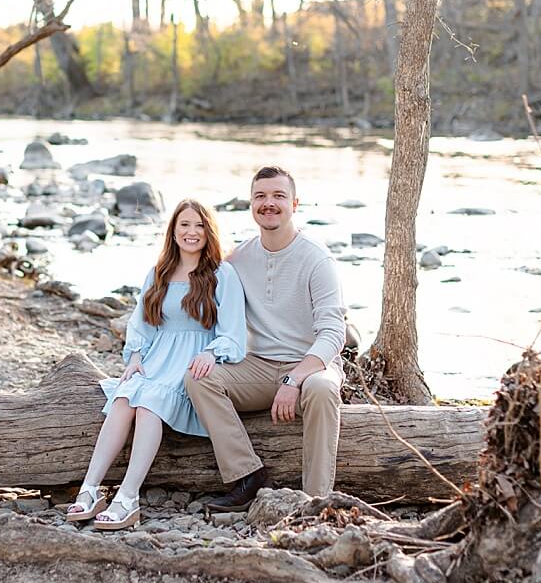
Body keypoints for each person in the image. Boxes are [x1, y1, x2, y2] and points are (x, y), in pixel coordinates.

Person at [66, 199, 247, 530]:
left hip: (192, 364)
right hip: (156, 358)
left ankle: (128, 497)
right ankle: (89, 489)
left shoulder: (222, 273)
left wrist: (212, 353)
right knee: (123, 398)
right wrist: (135, 356)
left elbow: (234, 333)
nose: (192, 232)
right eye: (184, 225)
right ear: (173, 231)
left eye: (199, 226)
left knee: (149, 403)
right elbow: (142, 325)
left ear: (209, 231)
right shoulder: (158, 272)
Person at [185, 166, 346, 508]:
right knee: (200, 379)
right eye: (260, 196)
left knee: (321, 388)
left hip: (310, 365)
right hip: (257, 365)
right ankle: (247, 476)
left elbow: (334, 332)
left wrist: (295, 378)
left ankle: (315, 501)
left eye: (278, 196)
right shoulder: (239, 259)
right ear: (251, 203)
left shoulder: (317, 258)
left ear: (294, 204)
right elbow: (201, 293)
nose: (268, 203)